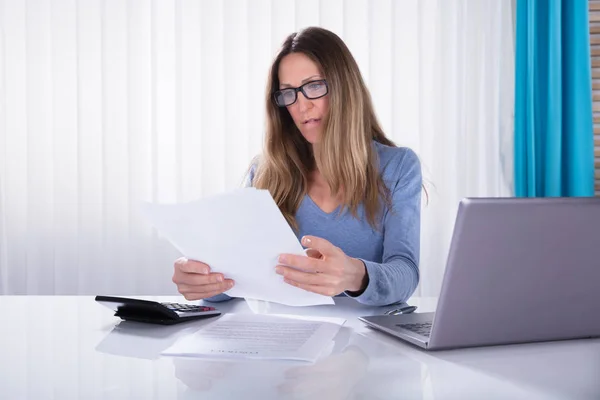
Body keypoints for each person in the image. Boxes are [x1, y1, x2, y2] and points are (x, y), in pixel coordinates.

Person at [172, 27, 422, 307]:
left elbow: (406, 273)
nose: (302, 106)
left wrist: (355, 275)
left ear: (344, 88)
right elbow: (236, 274)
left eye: (314, 86)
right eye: (288, 93)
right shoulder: (266, 171)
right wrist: (202, 279)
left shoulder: (398, 167)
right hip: (284, 335)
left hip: (365, 342)